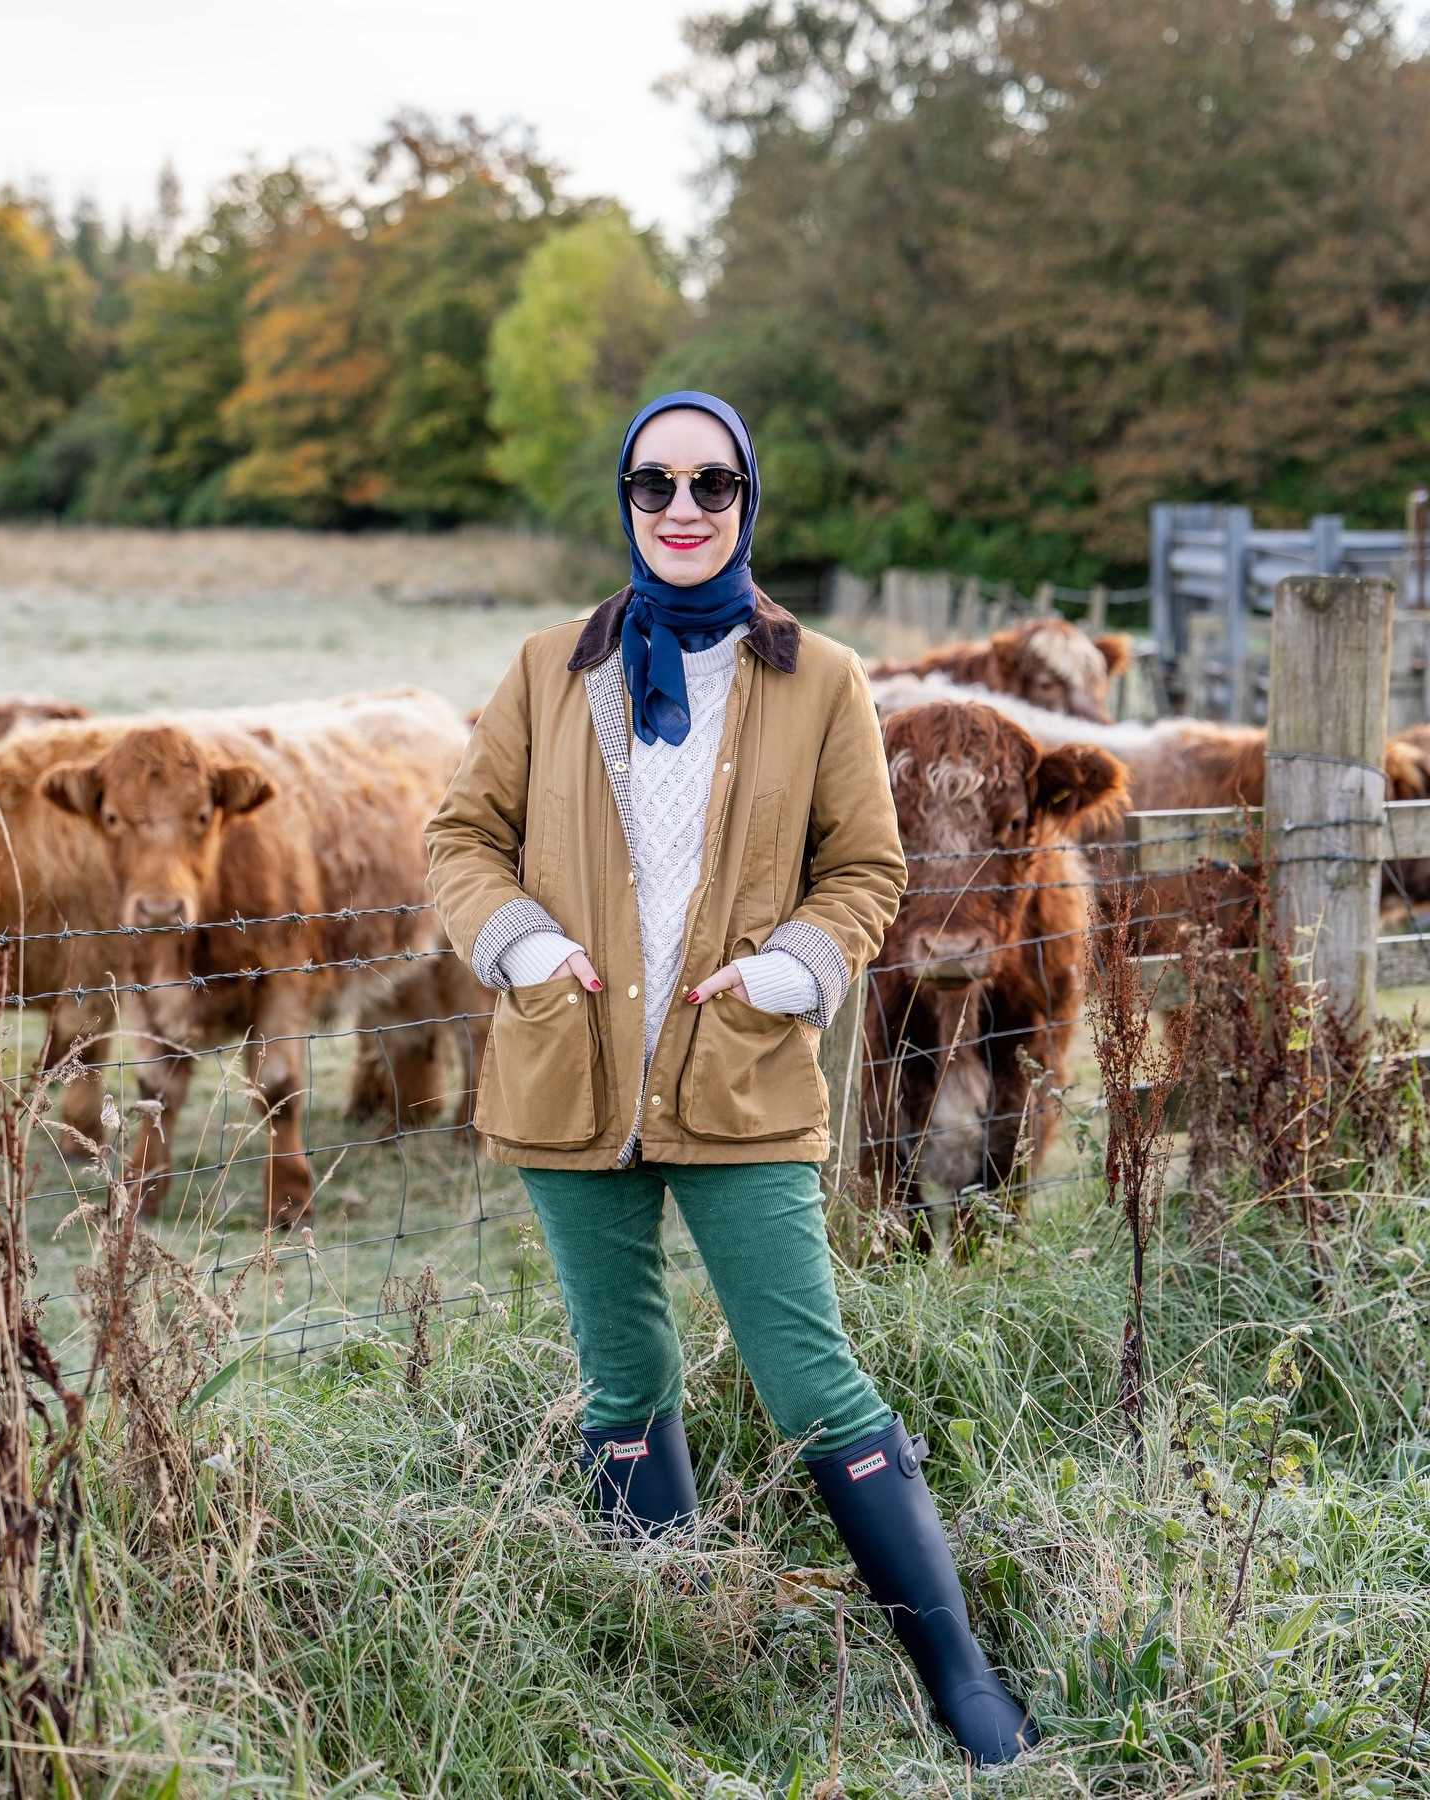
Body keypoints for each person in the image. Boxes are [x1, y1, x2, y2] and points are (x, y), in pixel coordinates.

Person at [425, 390, 1036, 1764]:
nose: (683, 510)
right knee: (621, 1374)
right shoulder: (546, 669)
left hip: (741, 1077)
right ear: (625, 502)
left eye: (711, 485)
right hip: (570, 1077)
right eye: (655, 485)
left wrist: (792, 970)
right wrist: (520, 947)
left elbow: (868, 870)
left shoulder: (817, 677)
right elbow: (462, 841)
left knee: (809, 1372)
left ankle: (960, 1681)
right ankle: (675, 1649)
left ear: (748, 499)